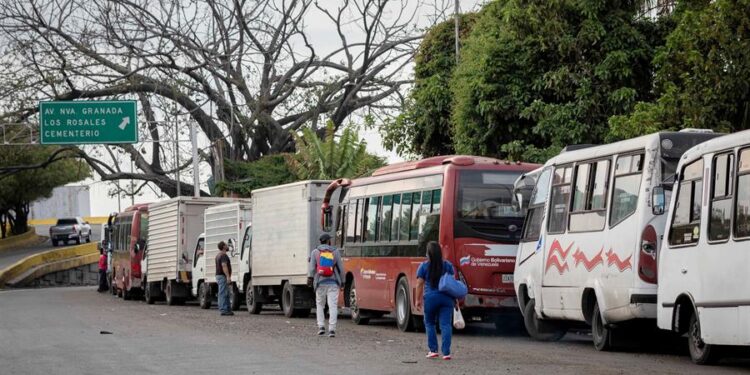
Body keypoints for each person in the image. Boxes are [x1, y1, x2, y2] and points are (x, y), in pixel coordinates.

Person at [415, 241, 455, 360]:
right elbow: (452, 283)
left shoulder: (423, 266)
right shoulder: (447, 265)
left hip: (431, 298)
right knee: (446, 325)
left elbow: (419, 284)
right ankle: (446, 353)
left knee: (429, 323)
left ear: (428, 254)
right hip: (446, 298)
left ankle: (433, 350)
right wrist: (455, 299)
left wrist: (417, 300)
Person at [307, 233, 344, 337]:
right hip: (333, 283)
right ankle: (332, 329)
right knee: (333, 306)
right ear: (328, 241)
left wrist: (310, 278)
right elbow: (341, 269)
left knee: (320, 305)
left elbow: (312, 268)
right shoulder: (335, 252)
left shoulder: (315, 252)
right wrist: (343, 281)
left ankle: (321, 327)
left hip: (320, 282)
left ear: (320, 241)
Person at [215, 241, 233, 316]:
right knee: (223, 293)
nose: (227, 246)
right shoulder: (223, 256)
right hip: (222, 276)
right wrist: (228, 277)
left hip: (219, 276)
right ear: (224, 247)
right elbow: (224, 265)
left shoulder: (218, 255)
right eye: (226, 245)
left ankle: (227, 309)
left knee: (225, 293)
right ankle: (224, 309)